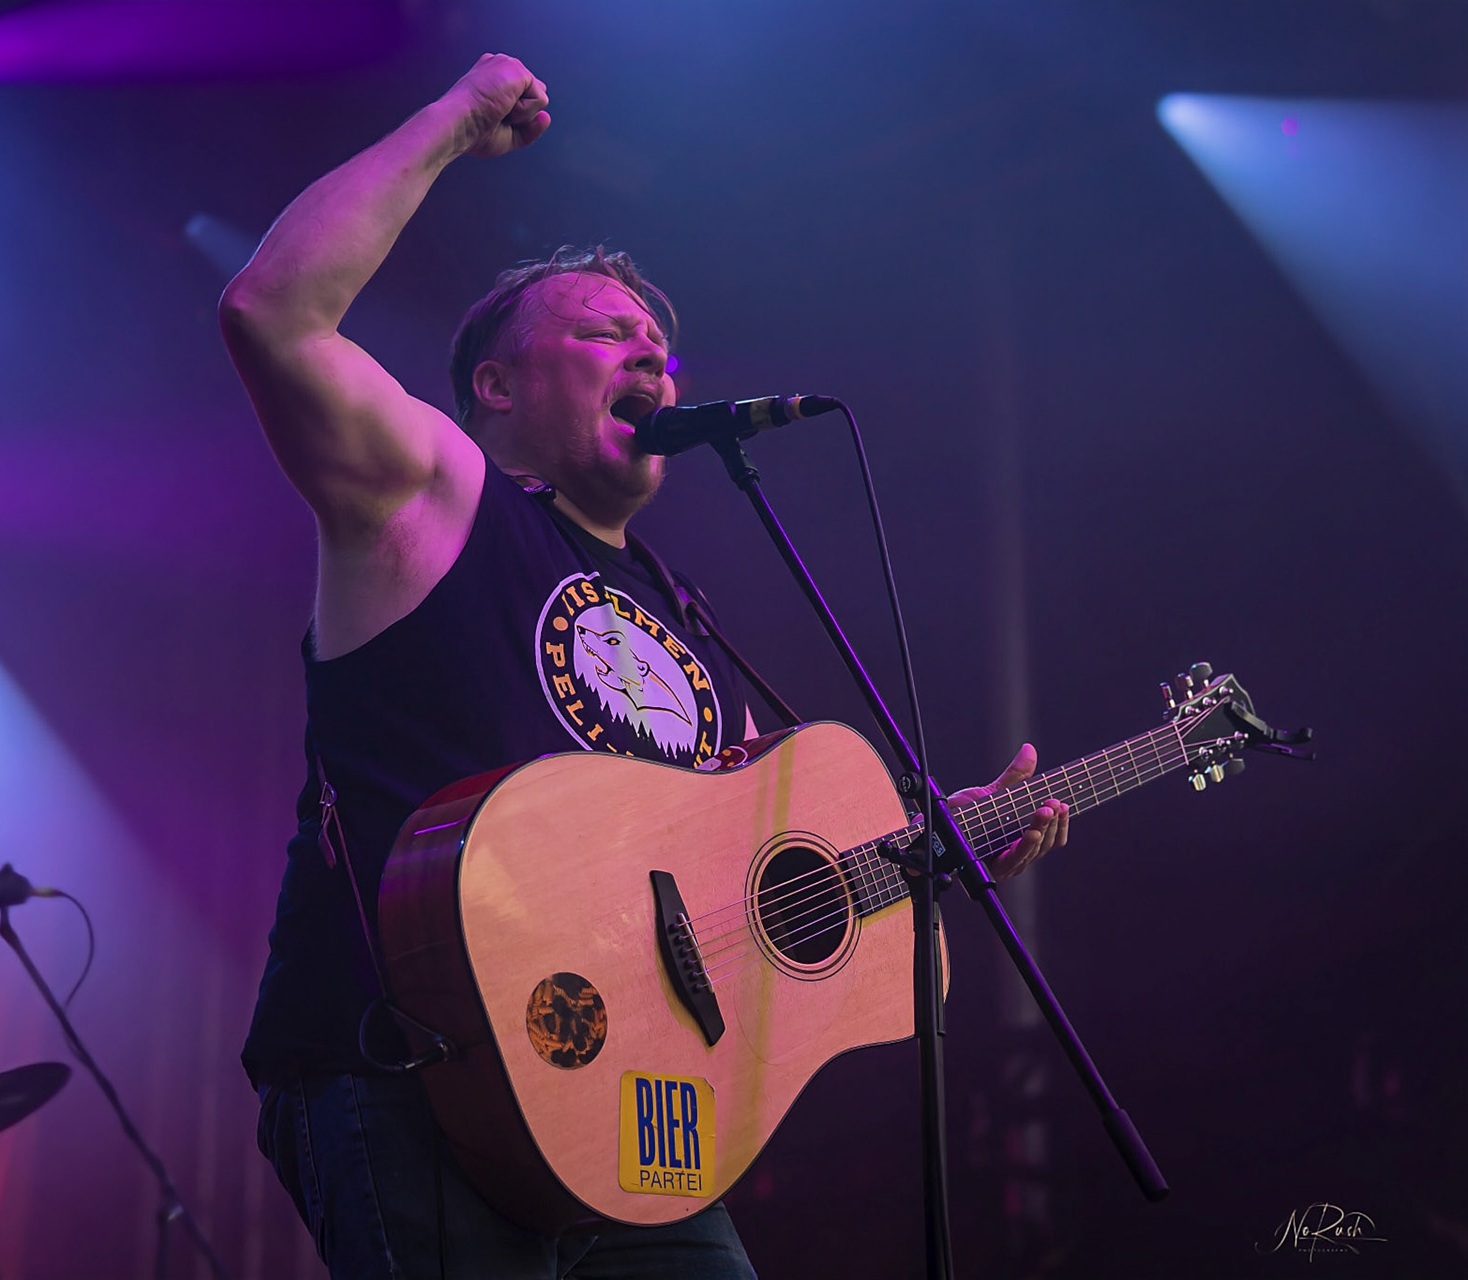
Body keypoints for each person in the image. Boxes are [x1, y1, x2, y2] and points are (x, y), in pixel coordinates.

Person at [218, 53, 1071, 1280]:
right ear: (497, 385)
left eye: (660, 340)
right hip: (425, 1066)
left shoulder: (681, 620)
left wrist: (932, 848)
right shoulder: (441, 497)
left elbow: (729, 907)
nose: (653, 354)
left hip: (642, 1110)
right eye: (606, 331)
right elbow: (272, 314)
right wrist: (453, 124)